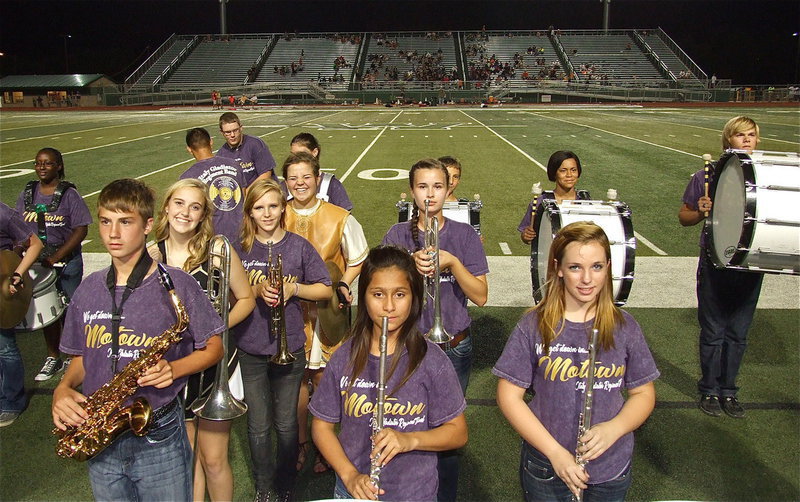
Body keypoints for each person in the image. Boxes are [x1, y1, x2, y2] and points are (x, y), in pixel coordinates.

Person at [51, 178, 224, 501]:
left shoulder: (178, 285)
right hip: (102, 435)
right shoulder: (88, 289)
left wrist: (176, 369)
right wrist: (63, 389)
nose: (113, 234)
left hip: (158, 434)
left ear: (147, 225)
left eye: (125, 222)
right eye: (105, 221)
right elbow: (81, 358)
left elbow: (214, 347)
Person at [494, 221, 659, 501]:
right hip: (547, 466)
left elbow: (643, 393)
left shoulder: (626, 327)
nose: (587, 279)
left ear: (608, 267)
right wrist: (556, 453)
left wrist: (614, 428)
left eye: (596, 267)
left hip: (610, 468)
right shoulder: (534, 325)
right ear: (558, 268)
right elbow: (509, 396)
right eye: (575, 267)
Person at [309, 245, 468, 501]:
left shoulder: (432, 360)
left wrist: (410, 440)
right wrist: (349, 475)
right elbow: (322, 427)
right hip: (353, 491)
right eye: (378, 294)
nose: (389, 306)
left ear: (414, 298)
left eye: (400, 294)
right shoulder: (344, 358)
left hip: (414, 492)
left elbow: (458, 432)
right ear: (364, 296)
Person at [381, 158, 488, 502]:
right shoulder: (397, 235)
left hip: (453, 345)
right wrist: (406, 269)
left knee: (447, 432)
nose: (430, 194)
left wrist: (453, 262)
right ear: (412, 192)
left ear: (448, 189)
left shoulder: (464, 234)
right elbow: (381, 296)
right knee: (406, 426)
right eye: (423, 187)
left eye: (437, 187)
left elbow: (481, 296)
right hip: (409, 345)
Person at [149, 178, 256, 502]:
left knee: (213, 458)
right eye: (179, 203)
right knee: (188, 456)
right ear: (167, 207)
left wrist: (212, 327)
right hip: (172, 366)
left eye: (194, 207)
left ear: (202, 215)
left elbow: (246, 299)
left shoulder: (218, 251)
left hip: (213, 364)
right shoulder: (151, 256)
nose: (185, 212)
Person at [234, 179, 332, 501]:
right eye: (259, 207)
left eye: (273, 206)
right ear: (250, 212)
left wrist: (294, 289)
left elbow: (325, 288)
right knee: (259, 425)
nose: (267, 213)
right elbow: (228, 294)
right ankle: (264, 487)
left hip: (289, 347)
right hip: (251, 347)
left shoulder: (299, 246)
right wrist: (255, 290)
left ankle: (286, 484)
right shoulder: (242, 249)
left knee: (288, 424)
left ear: (282, 208)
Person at [281, 151, 368, 473]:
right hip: (290, 314)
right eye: (293, 178)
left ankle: (325, 446)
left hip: (327, 314)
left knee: (326, 377)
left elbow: (357, 256)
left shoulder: (339, 216)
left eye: (306, 176)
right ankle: (301, 443)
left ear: (318, 179)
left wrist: (343, 284)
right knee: (296, 380)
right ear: (286, 182)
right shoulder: (277, 214)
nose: (300, 183)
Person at [678, 116, 763, 419]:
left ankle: (729, 390)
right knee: (713, 331)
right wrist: (700, 213)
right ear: (728, 140)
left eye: (751, 135)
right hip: (715, 262)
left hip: (750, 265)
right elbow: (684, 217)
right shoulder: (706, 175)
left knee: (738, 333)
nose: (747, 140)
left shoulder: (762, 178)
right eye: (740, 135)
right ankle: (709, 389)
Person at [15, 147, 92, 381]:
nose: (42, 167)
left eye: (47, 163)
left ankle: (73, 355)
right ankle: (53, 357)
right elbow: (18, 226)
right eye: (38, 163)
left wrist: (57, 257)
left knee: (69, 310)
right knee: (48, 311)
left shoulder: (69, 194)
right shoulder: (28, 193)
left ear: (58, 165)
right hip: (38, 263)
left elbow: (80, 229)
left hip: (66, 262)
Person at [0, 202, 44, 427]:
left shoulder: (2, 213)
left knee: (5, 347)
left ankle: (11, 401)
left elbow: (35, 243)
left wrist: (17, 274)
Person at [180, 127, 252, 244]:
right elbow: (244, 197)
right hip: (243, 233)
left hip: (213, 239)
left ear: (189, 149)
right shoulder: (234, 165)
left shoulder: (187, 178)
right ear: (211, 142)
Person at [518, 150, 590, 245]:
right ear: (554, 173)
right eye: (563, 170)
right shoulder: (540, 203)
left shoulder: (586, 201)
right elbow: (526, 235)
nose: (569, 175)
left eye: (573, 170)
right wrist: (526, 236)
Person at [287, 133, 353, 211]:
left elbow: (344, 218)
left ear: (315, 152)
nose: (297, 158)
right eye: (293, 155)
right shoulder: (285, 186)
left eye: (302, 154)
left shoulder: (332, 184)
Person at [216, 112, 278, 184]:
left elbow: (266, 175)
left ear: (241, 128)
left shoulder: (255, 144)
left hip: (263, 191)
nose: (232, 135)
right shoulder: (221, 155)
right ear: (222, 132)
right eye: (228, 132)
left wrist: (247, 193)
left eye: (235, 130)